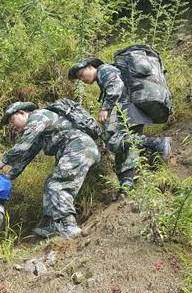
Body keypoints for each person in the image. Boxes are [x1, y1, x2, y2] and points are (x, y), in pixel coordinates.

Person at [0, 101, 100, 239]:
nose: (12, 125)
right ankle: (50, 224)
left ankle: (69, 226)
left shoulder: (38, 116)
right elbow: (27, 155)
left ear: (22, 113)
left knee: (58, 185)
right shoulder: (39, 132)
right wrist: (8, 177)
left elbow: (23, 145)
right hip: (77, 150)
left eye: (12, 120)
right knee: (49, 182)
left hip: (80, 148)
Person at [68, 54, 171, 198]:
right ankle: (126, 186)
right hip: (132, 110)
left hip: (124, 110)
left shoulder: (104, 70)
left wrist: (105, 107)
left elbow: (115, 85)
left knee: (113, 141)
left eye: (81, 74)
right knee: (126, 146)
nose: (82, 79)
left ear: (90, 67)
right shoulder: (104, 74)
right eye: (79, 78)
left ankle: (157, 142)